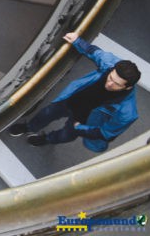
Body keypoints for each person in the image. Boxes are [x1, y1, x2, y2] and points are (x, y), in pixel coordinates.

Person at [9, 32, 141, 151]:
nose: (109, 83)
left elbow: (106, 133)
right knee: (46, 113)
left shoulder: (127, 113)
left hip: (83, 120)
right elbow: (95, 52)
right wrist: (77, 40)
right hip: (70, 100)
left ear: (128, 87)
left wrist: (80, 128)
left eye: (116, 84)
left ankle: (47, 139)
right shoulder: (112, 65)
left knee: (65, 136)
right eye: (110, 77)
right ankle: (29, 127)